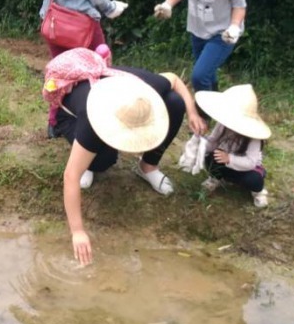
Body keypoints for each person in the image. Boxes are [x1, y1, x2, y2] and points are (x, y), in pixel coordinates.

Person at [53, 67, 207, 265]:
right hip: (71, 115)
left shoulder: (143, 95)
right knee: (104, 159)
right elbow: (70, 177)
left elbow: (175, 80)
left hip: (115, 91)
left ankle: (148, 167)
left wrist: (192, 112)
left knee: (175, 103)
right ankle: (89, 163)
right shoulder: (93, 120)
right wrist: (78, 232)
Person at [198, 84, 271, 207]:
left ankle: (257, 192)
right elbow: (213, 141)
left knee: (254, 180)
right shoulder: (222, 124)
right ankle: (216, 178)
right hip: (224, 162)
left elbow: (251, 162)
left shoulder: (253, 137)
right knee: (210, 157)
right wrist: (199, 146)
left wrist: (229, 159)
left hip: (245, 169)